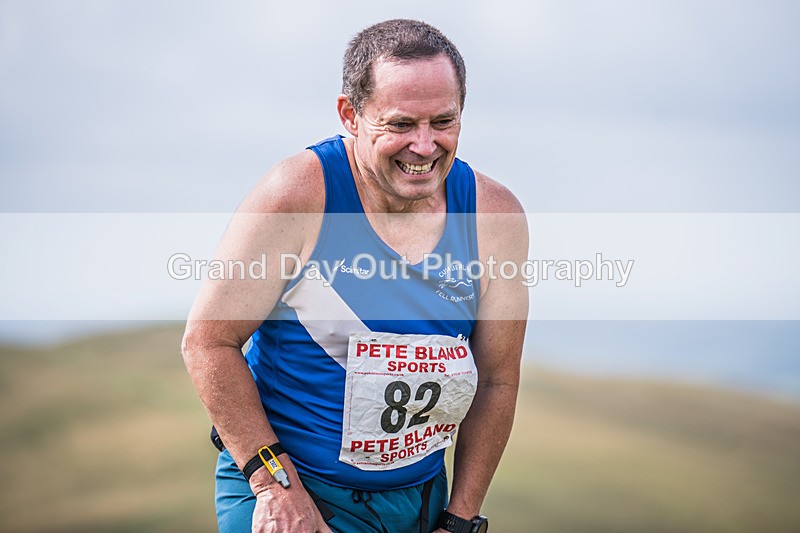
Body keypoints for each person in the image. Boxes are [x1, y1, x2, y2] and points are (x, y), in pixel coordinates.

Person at [182, 19, 528, 533]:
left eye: (443, 121)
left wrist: (459, 521)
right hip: (291, 488)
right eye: (401, 124)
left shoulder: (494, 217)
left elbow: (497, 380)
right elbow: (208, 342)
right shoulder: (296, 195)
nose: (425, 145)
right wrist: (276, 490)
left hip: (418, 499)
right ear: (350, 115)